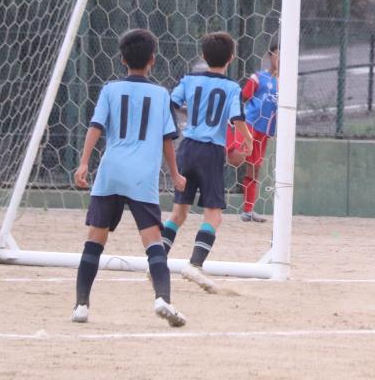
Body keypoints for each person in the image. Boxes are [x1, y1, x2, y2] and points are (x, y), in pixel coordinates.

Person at [70, 28, 187, 326]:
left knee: (94, 240)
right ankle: (162, 299)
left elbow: (96, 126)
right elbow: (167, 140)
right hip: (141, 177)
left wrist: (83, 163)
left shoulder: (109, 90)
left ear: (122, 59)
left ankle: (81, 306)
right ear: (152, 60)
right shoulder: (160, 95)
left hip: (110, 171)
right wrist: (175, 174)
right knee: (153, 243)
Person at [160, 33, 251, 292]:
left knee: (178, 212)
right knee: (214, 215)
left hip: (187, 148)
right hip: (211, 153)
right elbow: (237, 118)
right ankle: (195, 264)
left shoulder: (189, 80)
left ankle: (156, 262)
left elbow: (171, 103)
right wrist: (248, 139)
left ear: (203, 55)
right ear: (231, 58)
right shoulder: (232, 87)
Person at [237, 43, 278, 222]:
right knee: (235, 158)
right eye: (277, 54)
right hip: (249, 125)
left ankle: (248, 210)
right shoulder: (258, 77)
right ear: (270, 56)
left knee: (254, 169)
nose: (280, 59)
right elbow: (242, 98)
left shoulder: (286, 83)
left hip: (265, 131)